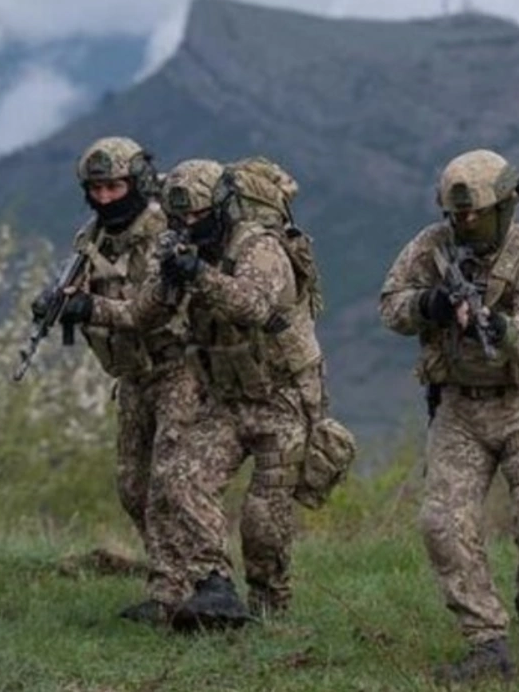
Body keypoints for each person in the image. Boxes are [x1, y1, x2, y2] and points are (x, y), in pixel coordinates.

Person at [71, 157, 322, 629]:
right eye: (180, 216)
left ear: (221, 208)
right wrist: (87, 306)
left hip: (281, 401)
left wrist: (198, 275)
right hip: (225, 401)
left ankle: (270, 612)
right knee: (176, 480)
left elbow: (258, 305)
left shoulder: (258, 246)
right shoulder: (180, 249)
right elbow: (141, 315)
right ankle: (213, 586)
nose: (189, 225)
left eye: (197, 216)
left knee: (262, 524)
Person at [380, 149, 519, 683]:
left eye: (475, 214)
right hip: (459, 407)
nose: (465, 224)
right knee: (442, 524)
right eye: (456, 215)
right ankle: (486, 640)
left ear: (506, 205)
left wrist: (497, 328)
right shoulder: (431, 247)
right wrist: (432, 306)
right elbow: (390, 303)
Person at [38, 136, 196, 624]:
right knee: (133, 486)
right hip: (132, 377)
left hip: (178, 369)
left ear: (137, 182)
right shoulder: (93, 239)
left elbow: (156, 310)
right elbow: (83, 287)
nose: (105, 197)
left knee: (173, 484)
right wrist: (57, 303)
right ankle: (173, 578)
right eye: (97, 188)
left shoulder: (165, 234)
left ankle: (187, 590)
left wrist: (92, 307)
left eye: (114, 186)